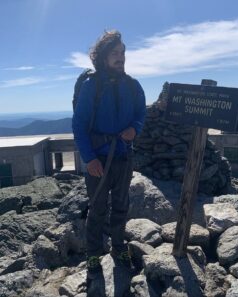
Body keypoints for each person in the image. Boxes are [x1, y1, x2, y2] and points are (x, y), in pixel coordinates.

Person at [72, 30, 146, 282]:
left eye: (123, 53)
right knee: (98, 208)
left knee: (122, 206)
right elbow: (79, 124)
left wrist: (134, 128)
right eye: (115, 53)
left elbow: (140, 114)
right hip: (98, 161)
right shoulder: (91, 86)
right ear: (103, 57)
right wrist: (89, 159)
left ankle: (118, 248)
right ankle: (93, 255)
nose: (121, 57)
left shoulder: (133, 85)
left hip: (124, 156)